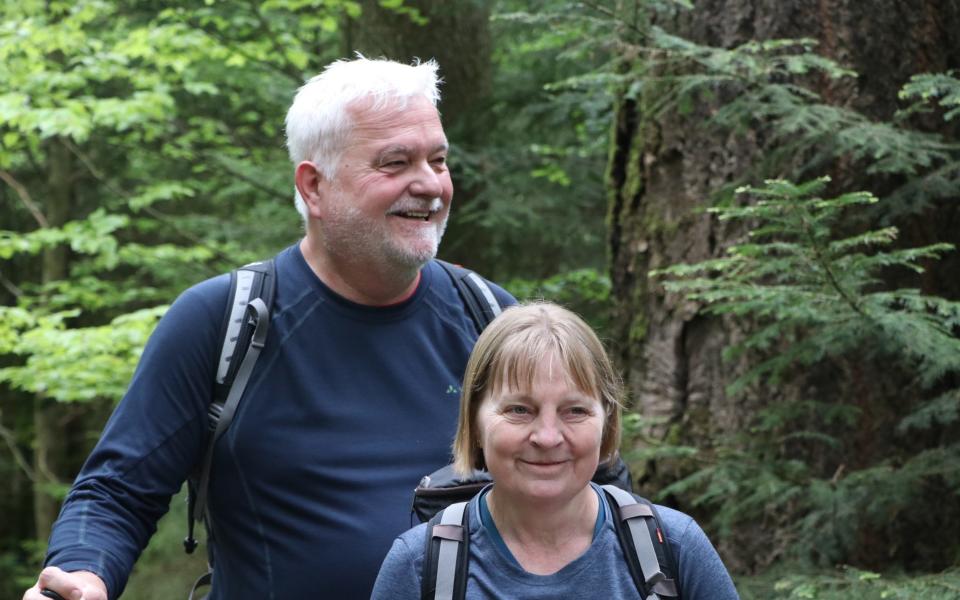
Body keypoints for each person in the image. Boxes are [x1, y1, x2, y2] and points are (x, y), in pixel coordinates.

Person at [23, 57, 514, 600]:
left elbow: (586, 484)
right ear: (314, 187)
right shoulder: (223, 321)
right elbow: (117, 491)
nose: (430, 184)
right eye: (396, 163)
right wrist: (82, 575)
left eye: (438, 160)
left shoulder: (488, 319)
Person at [371, 302, 740, 599]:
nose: (547, 437)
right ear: (475, 422)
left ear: (607, 422)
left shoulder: (674, 549)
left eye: (575, 411)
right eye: (519, 410)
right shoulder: (419, 567)